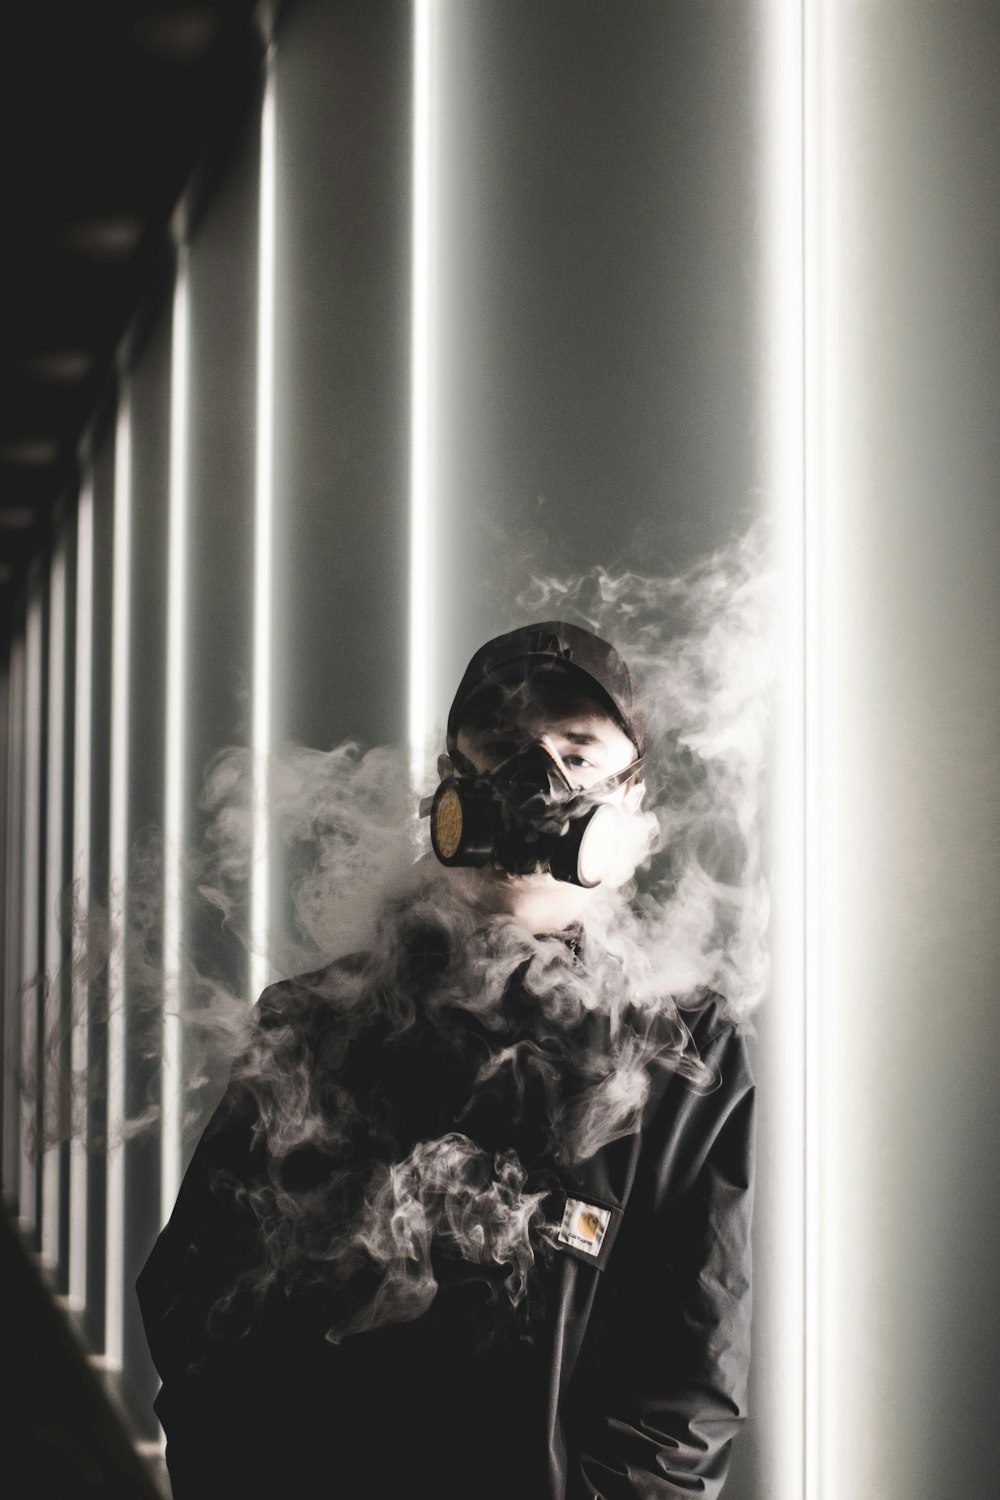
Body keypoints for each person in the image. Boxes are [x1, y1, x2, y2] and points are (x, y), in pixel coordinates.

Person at [137, 621, 755, 1499]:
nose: (537, 784)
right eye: (502, 746)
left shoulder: (684, 1058)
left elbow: (686, 1387)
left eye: (578, 753)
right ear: (449, 785)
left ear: (632, 798)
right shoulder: (319, 1023)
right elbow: (198, 1301)